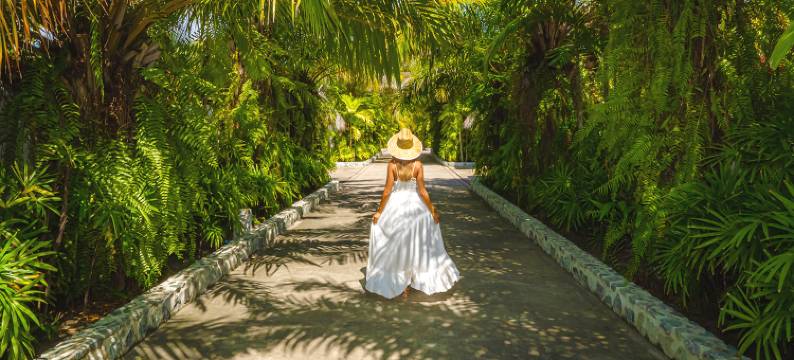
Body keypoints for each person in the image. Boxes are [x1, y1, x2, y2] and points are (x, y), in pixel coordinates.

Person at [365, 128, 460, 299]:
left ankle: (400, 281)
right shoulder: (418, 165)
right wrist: (432, 210)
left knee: (397, 244)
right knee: (416, 243)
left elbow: (387, 191)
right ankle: (413, 277)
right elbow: (422, 191)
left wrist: (379, 212)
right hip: (415, 207)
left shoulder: (392, 165)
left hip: (395, 206)